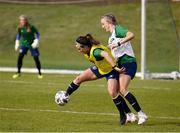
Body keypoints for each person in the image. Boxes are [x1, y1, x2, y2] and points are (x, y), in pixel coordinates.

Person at [62, 34, 132, 125]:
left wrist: (115, 67)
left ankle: (123, 114)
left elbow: (106, 54)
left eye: (79, 47)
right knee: (79, 79)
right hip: (101, 69)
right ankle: (66, 95)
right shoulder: (87, 52)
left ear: (86, 47)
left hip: (111, 71)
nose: (77, 48)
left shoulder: (95, 51)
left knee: (112, 92)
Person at [101, 13, 148, 125]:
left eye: (103, 24)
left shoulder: (118, 29)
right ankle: (129, 115)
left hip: (128, 63)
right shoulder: (111, 36)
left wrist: (118, 43)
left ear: (109, 22)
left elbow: (131, 34)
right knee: (115, 91)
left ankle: (141, 114)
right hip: (121, 64)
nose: (102, 26)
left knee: (122, 89)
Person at [13, 15, 43, 79]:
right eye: (21, 20)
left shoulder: (31, 27)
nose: (22, 21)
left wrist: (37, 40)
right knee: (20, 56)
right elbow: (19, 34)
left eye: (23, 20)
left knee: (36, 58)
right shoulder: (20, 27)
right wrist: (17, 42)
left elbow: (37, 33)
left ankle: (39, 73)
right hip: (24, 44)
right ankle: (18, 72)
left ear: (26, 20)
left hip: (32, 44)